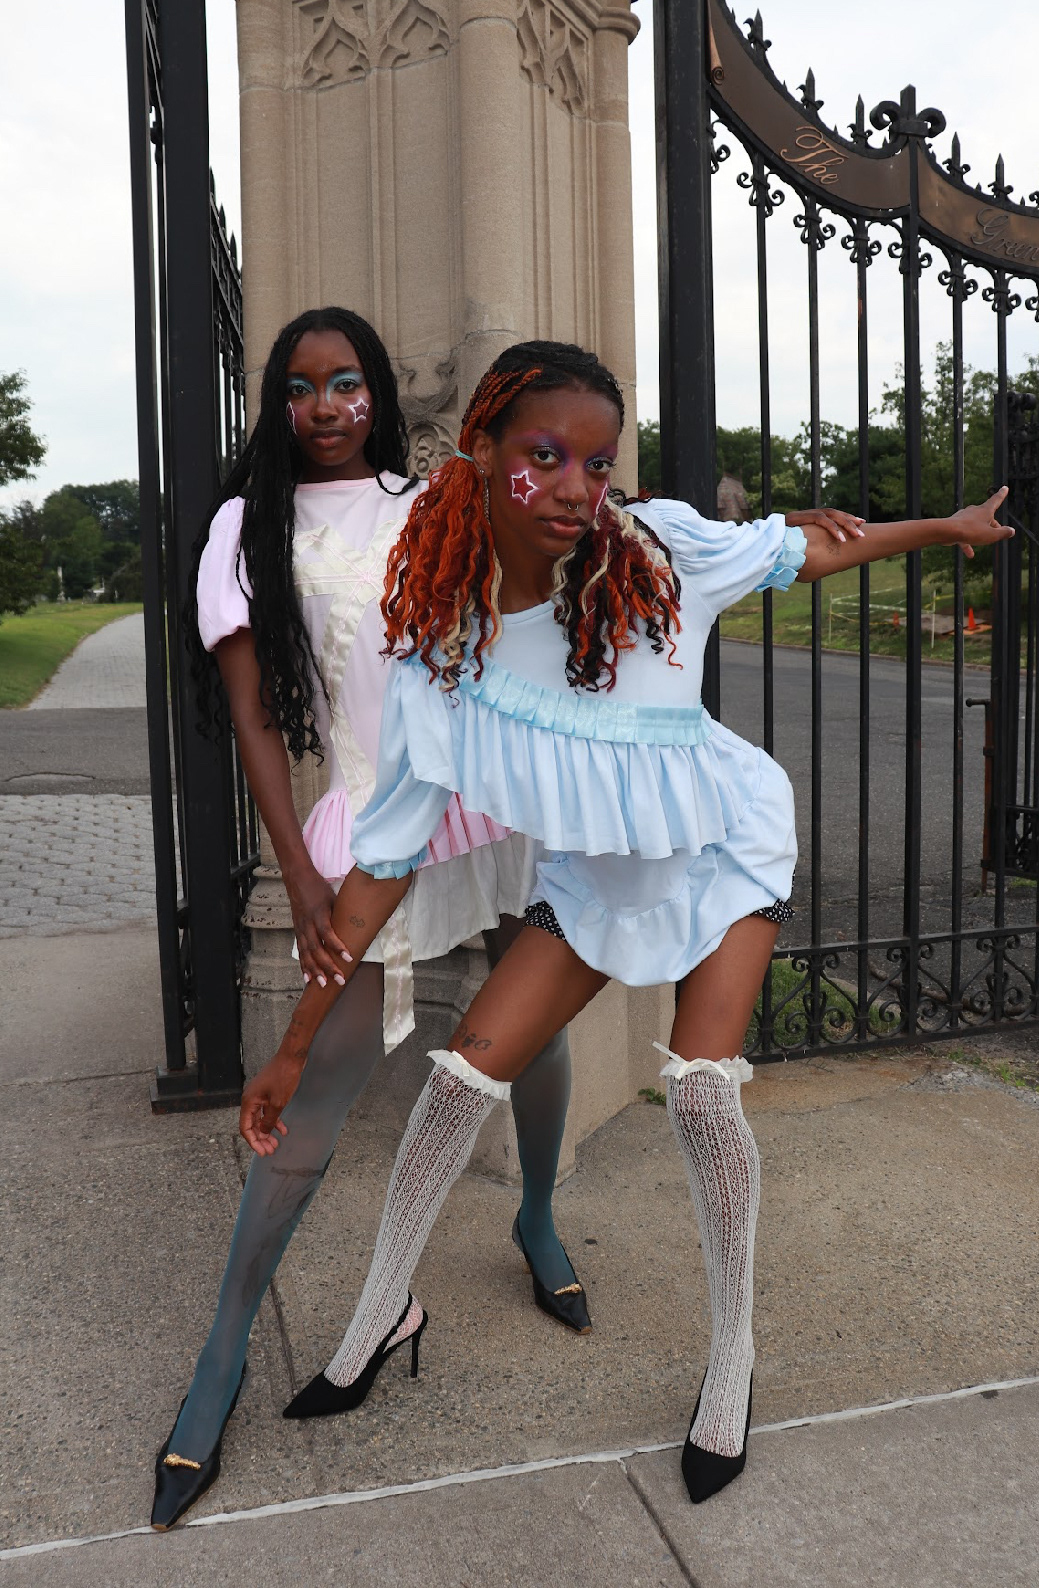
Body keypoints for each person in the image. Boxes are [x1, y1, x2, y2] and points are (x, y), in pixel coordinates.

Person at [236, 339, 1010, 1506]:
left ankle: (732, 1352)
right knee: (458, 1081)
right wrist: (295, 1047)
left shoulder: (656, 551)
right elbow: (377, 873)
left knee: (699, 1094)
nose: (573, 488)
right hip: (597, 879)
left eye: (595, 465)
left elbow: (809, 549)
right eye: (544, 456)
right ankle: (382, 1313)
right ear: (481, 450)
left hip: (722, 846)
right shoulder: (445, 659)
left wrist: (945, 529)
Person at [150, 312, 586, 1533]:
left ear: (377, 393)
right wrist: (297, 874)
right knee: (312, 1090)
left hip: (490, 799)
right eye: (301, 388)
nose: (327, 406)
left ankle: (535, 1214)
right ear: (279, 405)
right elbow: (253, 717)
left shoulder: (435, 497)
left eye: (346, 383)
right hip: (367, 823)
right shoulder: (250, 527)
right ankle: (221, 1359)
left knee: (532, 1025)